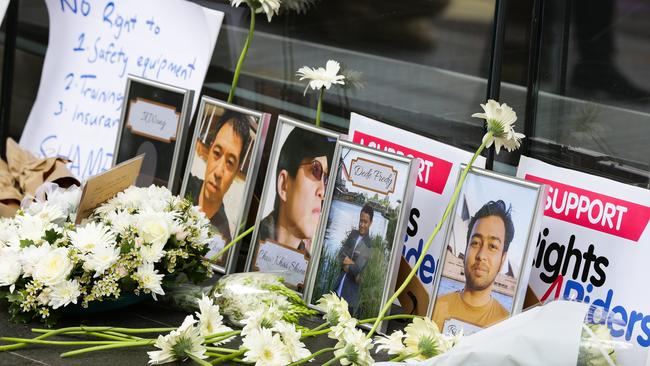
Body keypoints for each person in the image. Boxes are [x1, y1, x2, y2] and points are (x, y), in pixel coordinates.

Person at [432, 200, 514, 332]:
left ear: (502, 260)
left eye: (492, 246)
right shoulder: (436, 307)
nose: (481, 255)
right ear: (466, 248)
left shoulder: (506, 326)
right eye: (475, 243)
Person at [257, 127, 335, 257]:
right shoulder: (249, 244)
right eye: (315, 169)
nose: (323, 192)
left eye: (326, 179)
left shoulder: (309, 272)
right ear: (284, 185)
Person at [185, 110, 252, 248]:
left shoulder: (224, 240)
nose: (218, 172)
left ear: (236, 172)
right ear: (209, 152)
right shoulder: (182, 188)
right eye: (216, 153)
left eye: (230, 162)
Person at [334, 203, 374, 314]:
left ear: (371, 223)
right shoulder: (353, 234)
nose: (362, 224)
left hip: (349, 297)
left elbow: (357, 269)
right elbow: (340, 254)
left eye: (365, 222)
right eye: (361, 221)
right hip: (337, 288)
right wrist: (350, 263)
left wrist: (348, 264)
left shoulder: (369, 245)